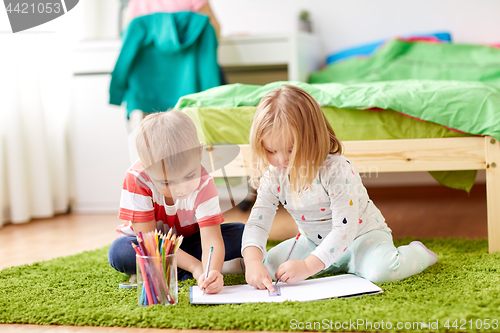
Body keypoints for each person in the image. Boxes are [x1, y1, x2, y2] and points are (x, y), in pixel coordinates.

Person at [242, 85, 437, 292]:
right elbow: (257, 222)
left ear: (313, 139)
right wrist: (253, 262)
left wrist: (308, 266)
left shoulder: (337, 170)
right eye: (271, 150)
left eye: (291, 149)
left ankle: (418, 252)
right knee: (270, 266)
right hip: (314, 243)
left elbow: (345, 229)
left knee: (382, 271)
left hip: (361, 239)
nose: (281, 159)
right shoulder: (274, 175)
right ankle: (328, 264)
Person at [108, 110, 245, 294]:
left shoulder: (204, 182)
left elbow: (211, 238)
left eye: (189, 176)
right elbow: (149, 240)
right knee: (120, 252)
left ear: (199, 154)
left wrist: (210, 271)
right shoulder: (137, 179)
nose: (180, 188)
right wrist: (197, 268)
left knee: (242, 234)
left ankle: (161, 270)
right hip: (150, 244)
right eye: (167, 182)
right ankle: (184, 270)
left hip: (188, 242)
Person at [124, 0, 221, 38]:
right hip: (192, 72)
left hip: (150, 75)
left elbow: (128, 38)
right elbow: (214, 29)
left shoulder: (136, 3)